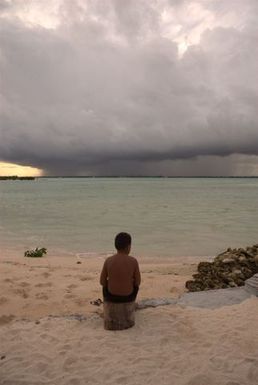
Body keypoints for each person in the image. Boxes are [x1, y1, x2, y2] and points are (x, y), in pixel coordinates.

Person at [100, 232, 141, 303]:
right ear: (128, 246)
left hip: (111, 297)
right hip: (128, 297)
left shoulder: (108, 260)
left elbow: (102, 282)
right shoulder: (133, 261)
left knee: (105, 286)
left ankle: (107, 304)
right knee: (135, 286)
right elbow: (138, 282)